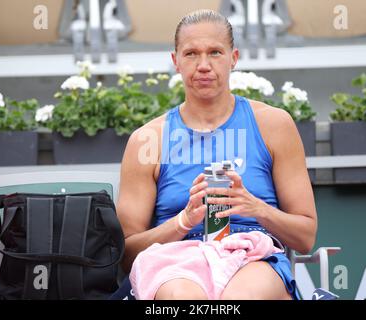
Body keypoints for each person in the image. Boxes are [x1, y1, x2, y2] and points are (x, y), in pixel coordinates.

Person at [116, 9, 317, 300]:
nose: (204, 65)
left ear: (233, 58)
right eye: (191, 54)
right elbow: (127, 254)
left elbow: (305, 237)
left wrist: (253, 207)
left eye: (215, 52)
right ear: (175, 62)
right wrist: (184, 220)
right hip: (175, 263)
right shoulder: (148, 139)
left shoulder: (274, 125)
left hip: (252, 256)